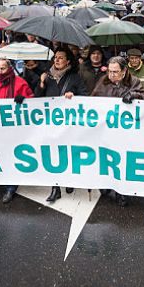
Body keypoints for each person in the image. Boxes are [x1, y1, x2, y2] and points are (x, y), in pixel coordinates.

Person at [91, 56, 144, 207]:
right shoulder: (103, 81)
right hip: (107, 131)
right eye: (110, 71)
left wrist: (133, 95)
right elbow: (92, 101)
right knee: (106, 159)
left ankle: (121, 192)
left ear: (124, 71)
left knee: (121, 162)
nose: (112, 75)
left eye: (115, 72)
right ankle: (106, 185)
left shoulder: (134, 82)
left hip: (125, 132)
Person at [34, 48, 89, 202]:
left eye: (60, 58)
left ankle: (69, 180)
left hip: (68, 124)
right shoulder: (47, 76)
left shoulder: (74, 77)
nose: (57, 60)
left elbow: (85, 96)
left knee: (68, 154)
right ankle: (55, 188)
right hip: (50, 123)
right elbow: (37, 99)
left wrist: (74, 96)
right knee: (53, 155)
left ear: (68, 61)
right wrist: (41, 83)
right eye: (55, 58)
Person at [0, 58, 34, 203]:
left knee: (12, 155)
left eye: (2, 69)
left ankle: (10, 188)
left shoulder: (20, 83)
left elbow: (33, 103)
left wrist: (24, 100)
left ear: (9, 69)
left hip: (16, 127)